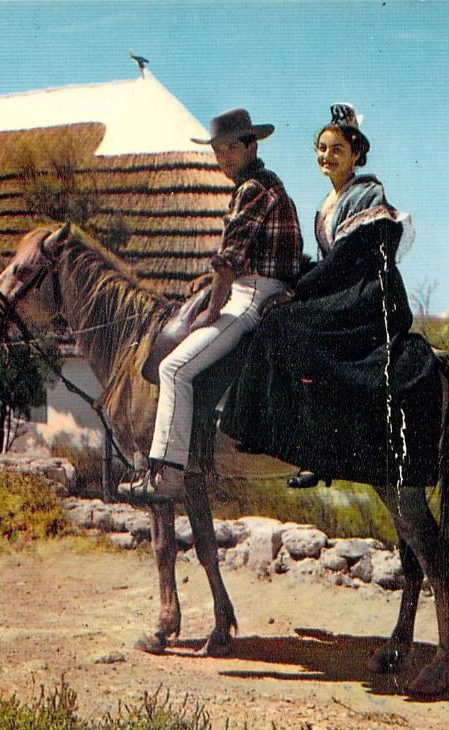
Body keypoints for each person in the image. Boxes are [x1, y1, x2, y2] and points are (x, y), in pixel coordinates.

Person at [219, 104, 444, 491]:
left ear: (355, 154)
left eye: (337, 149)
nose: (327, 156)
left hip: (370, 295)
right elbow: (326, 262)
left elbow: (344, 260)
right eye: (321, 149)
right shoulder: (328, 202)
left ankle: (317, 449)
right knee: (280, 319)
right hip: (345, 288)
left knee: (287, 324)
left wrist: (296, 291)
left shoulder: (368, 194)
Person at [119, 107, 302, 502]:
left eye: (230, 149)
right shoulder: (267, 184)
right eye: (217, 151)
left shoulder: (253, 189)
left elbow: (229, 260)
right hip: (258, 287)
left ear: (251, 145)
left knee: (173, 369)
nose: (223, 159)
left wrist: (212, 310)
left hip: (253, 296)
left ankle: (165, 474)